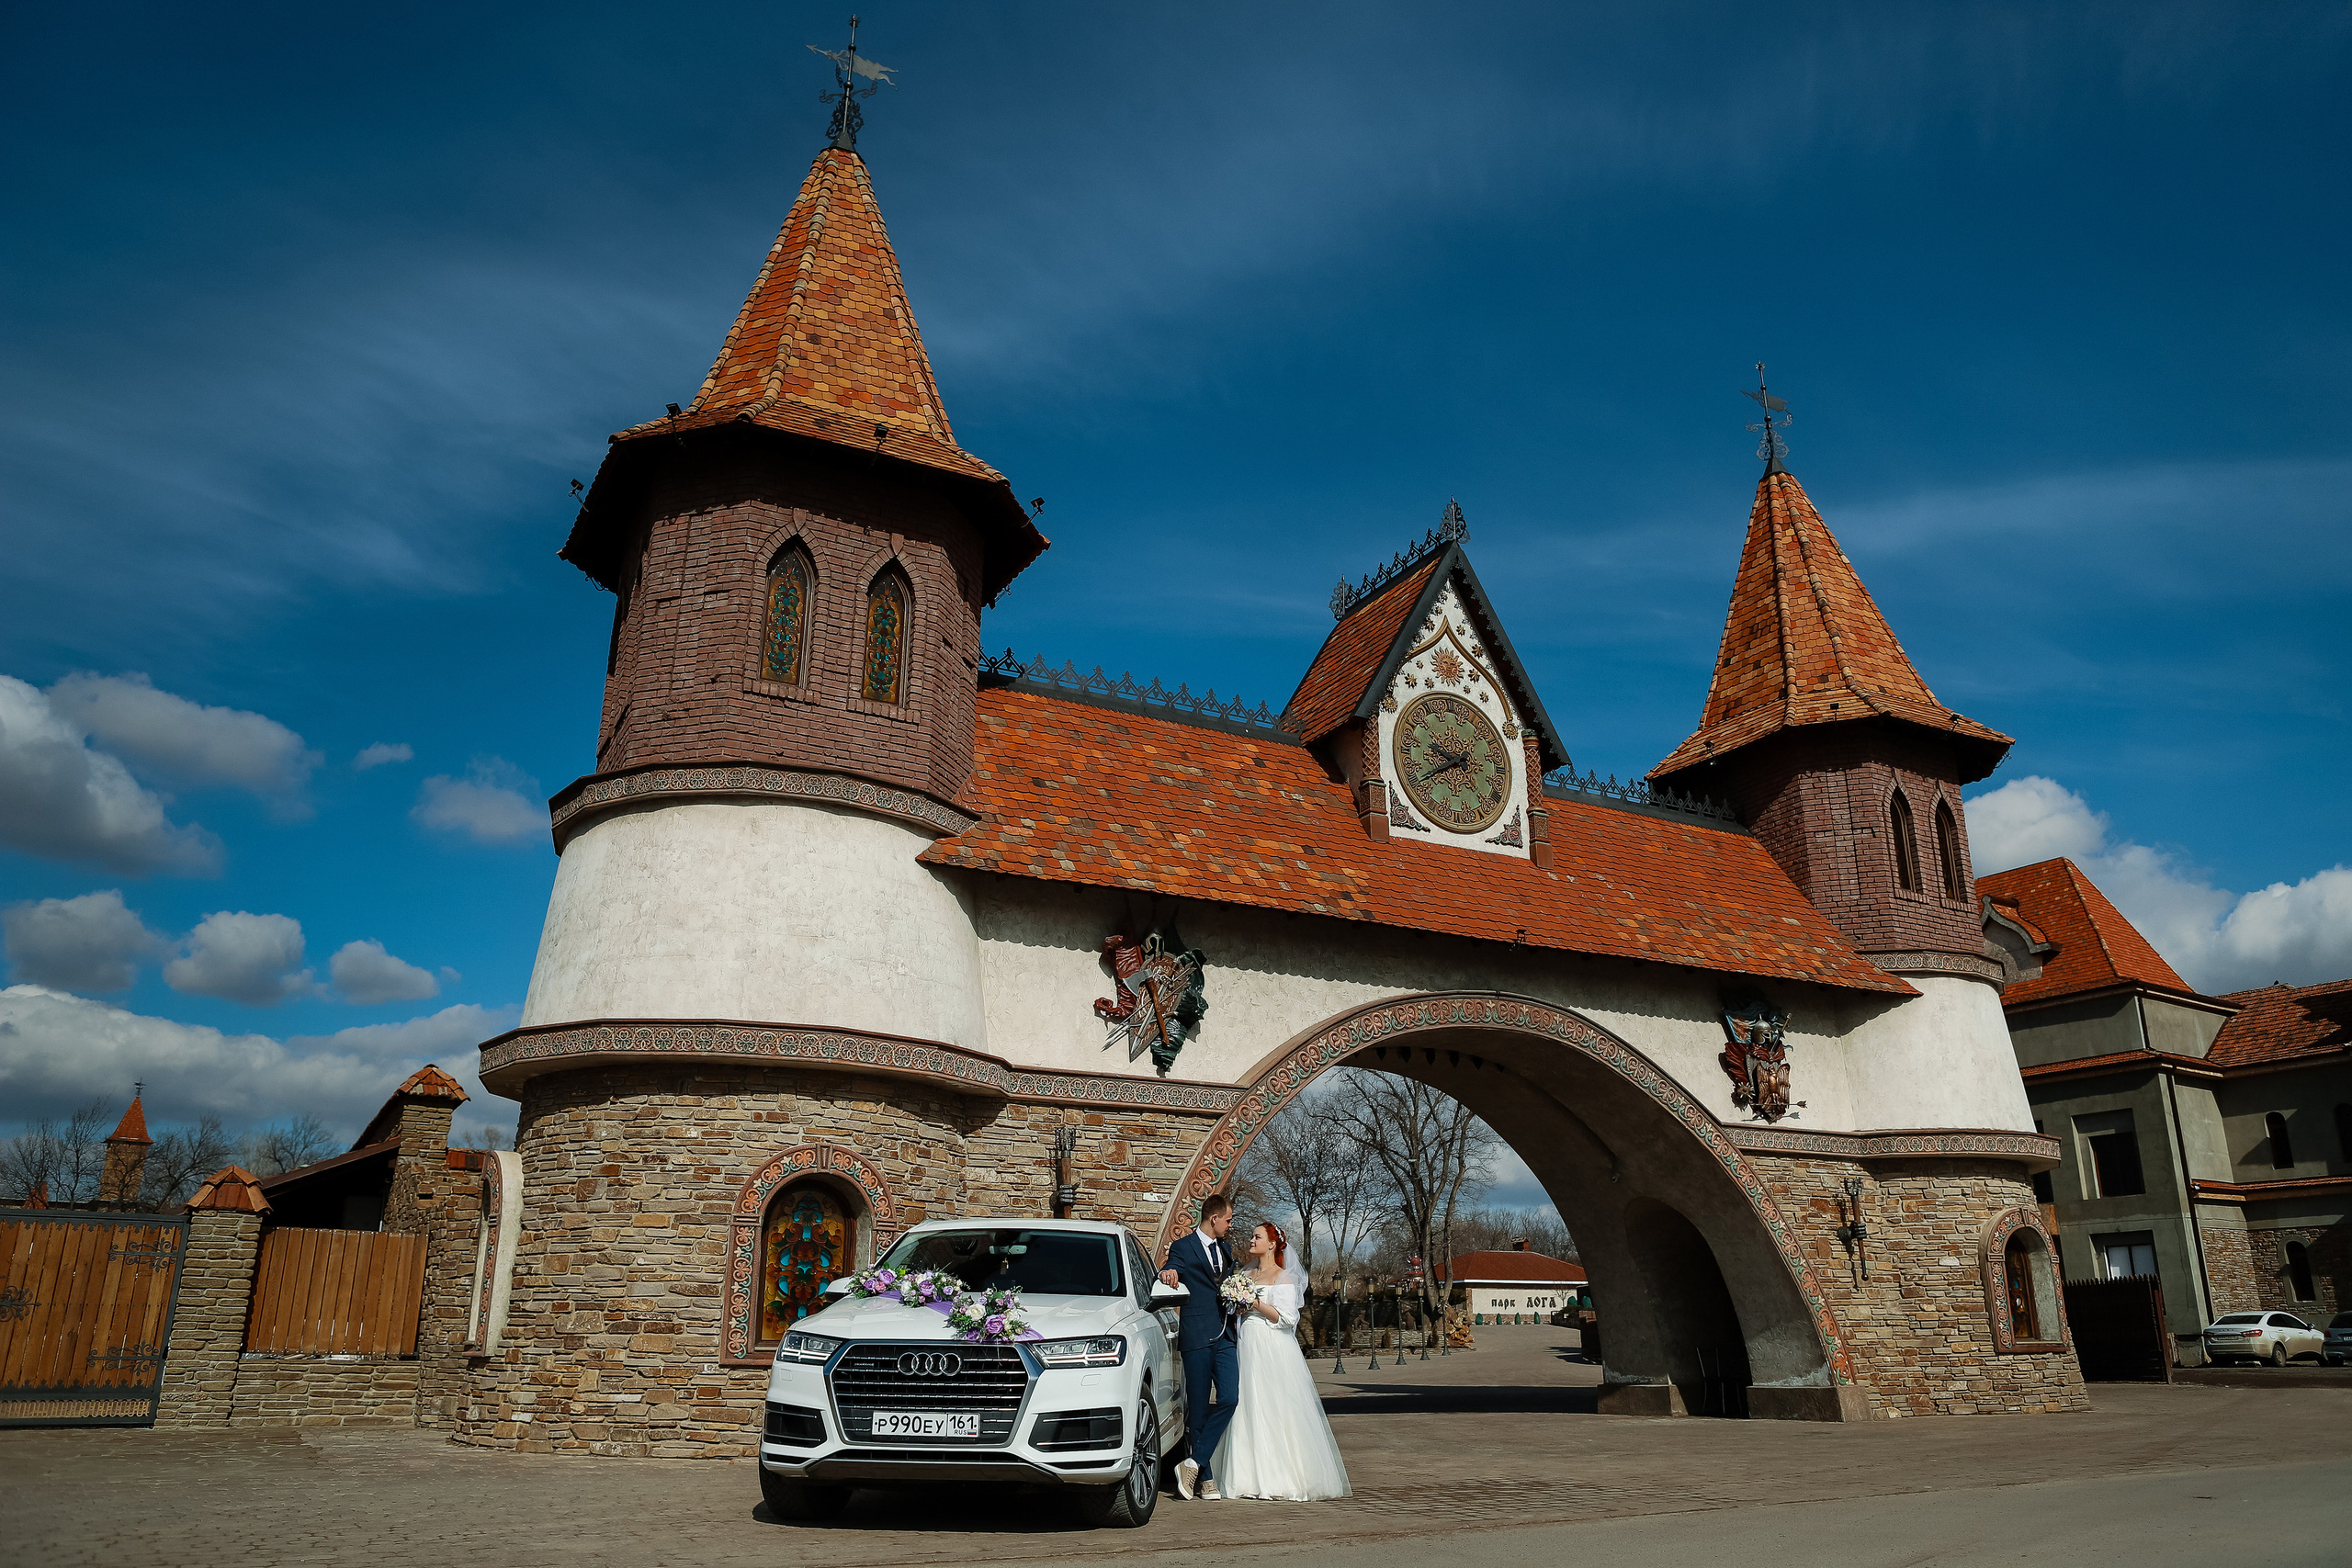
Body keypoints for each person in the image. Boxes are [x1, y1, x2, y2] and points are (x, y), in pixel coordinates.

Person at [1212, 1221, 1352, 1500]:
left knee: (1274, 1406)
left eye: (1257, 1237)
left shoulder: (1283, 1278)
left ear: (1272, 1244)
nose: (1252, 1241)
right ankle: (1245, 1478)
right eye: (1252, 1236)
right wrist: (1237, 1304)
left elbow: (1287, 1319)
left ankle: (1280, 1477)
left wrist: (1254, 1302)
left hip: (1271, 1345)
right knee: (1247, 1403)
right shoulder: (1245, 1274)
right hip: (1246, 1344)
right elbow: (1233, 1310)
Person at [1159, 1193, 1239, 1500]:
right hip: (1196, 1336)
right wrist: (1168, 1273)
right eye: (1228, 1220)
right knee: (1200, 1407)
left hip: (1225, 1336)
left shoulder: (1226, 1249)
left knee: (1230, 1398)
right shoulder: (1184, 1247)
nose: (1230, 1225)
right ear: (1214, 1218)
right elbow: (1170, 1267)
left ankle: (1192, 1462)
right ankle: (1205, 1479)